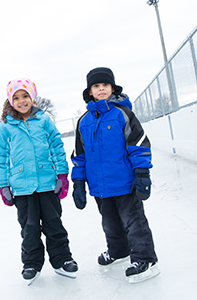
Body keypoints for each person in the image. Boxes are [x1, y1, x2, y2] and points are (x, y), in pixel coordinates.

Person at [71, 67, 160, 283]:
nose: (101, 89)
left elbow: (139, 145)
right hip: (100, 186)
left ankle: (146, 259)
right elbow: (79, 156)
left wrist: (142, 173)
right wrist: (78, 184)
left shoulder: (123, 114)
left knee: (133, 221)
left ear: (112, 88)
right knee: (109, 222)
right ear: (89, 91)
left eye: (105, 85)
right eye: (96, 86)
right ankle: (119, 250)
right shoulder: (84, 122)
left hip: (125, 182)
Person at [0, 78, 78, 285]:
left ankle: (63, 260)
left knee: (54, 224)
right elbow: (1, 158)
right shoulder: (6, 127)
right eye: (16, 97)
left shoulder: (44, 120)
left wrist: (62, 175)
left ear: (32, 97)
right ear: (10, 101)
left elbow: (57, 147)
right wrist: (3, 185)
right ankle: (31, 264)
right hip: (22, 188)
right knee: (29, 228)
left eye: (25, 96)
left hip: (47, 183)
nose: (22, 101)